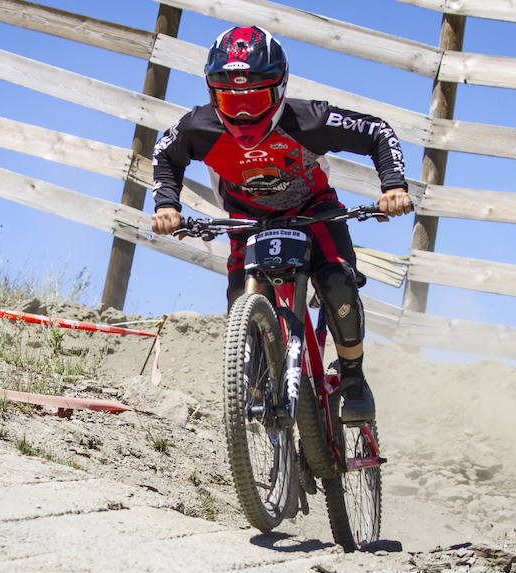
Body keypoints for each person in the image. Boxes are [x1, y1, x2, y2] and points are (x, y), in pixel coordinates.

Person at [150, 26, 412, 423]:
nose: (241, 112)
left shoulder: (308, 120)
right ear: (211, 93)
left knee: (337, 281)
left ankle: (354, 377)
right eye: (229, 99)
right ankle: (257, 378)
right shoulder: (199, 128)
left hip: (312, 211)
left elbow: (377, 131)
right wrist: (166, 204)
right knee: (242, 300)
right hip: (246, 221)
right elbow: (166, 154)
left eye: (254, 98)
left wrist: (393, 185)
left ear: (279, 90)